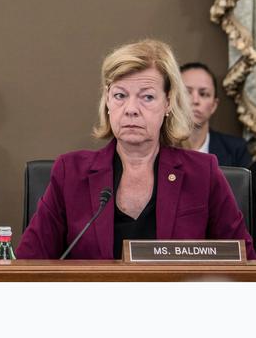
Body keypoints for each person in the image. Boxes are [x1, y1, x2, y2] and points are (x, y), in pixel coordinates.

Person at [17, 39, 255, 260]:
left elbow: (244, 261)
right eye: (120, 95)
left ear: (168, 102)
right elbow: (28, 262)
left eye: (147, 97)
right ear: (108, 101)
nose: (131, 109)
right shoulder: (70, 172)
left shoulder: (203, 172)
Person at [179, 62, 251, 167]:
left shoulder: (236, 150)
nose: (195, 100)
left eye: (203, 94)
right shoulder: (159, 148)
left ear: (214, 105)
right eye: (186, 92)